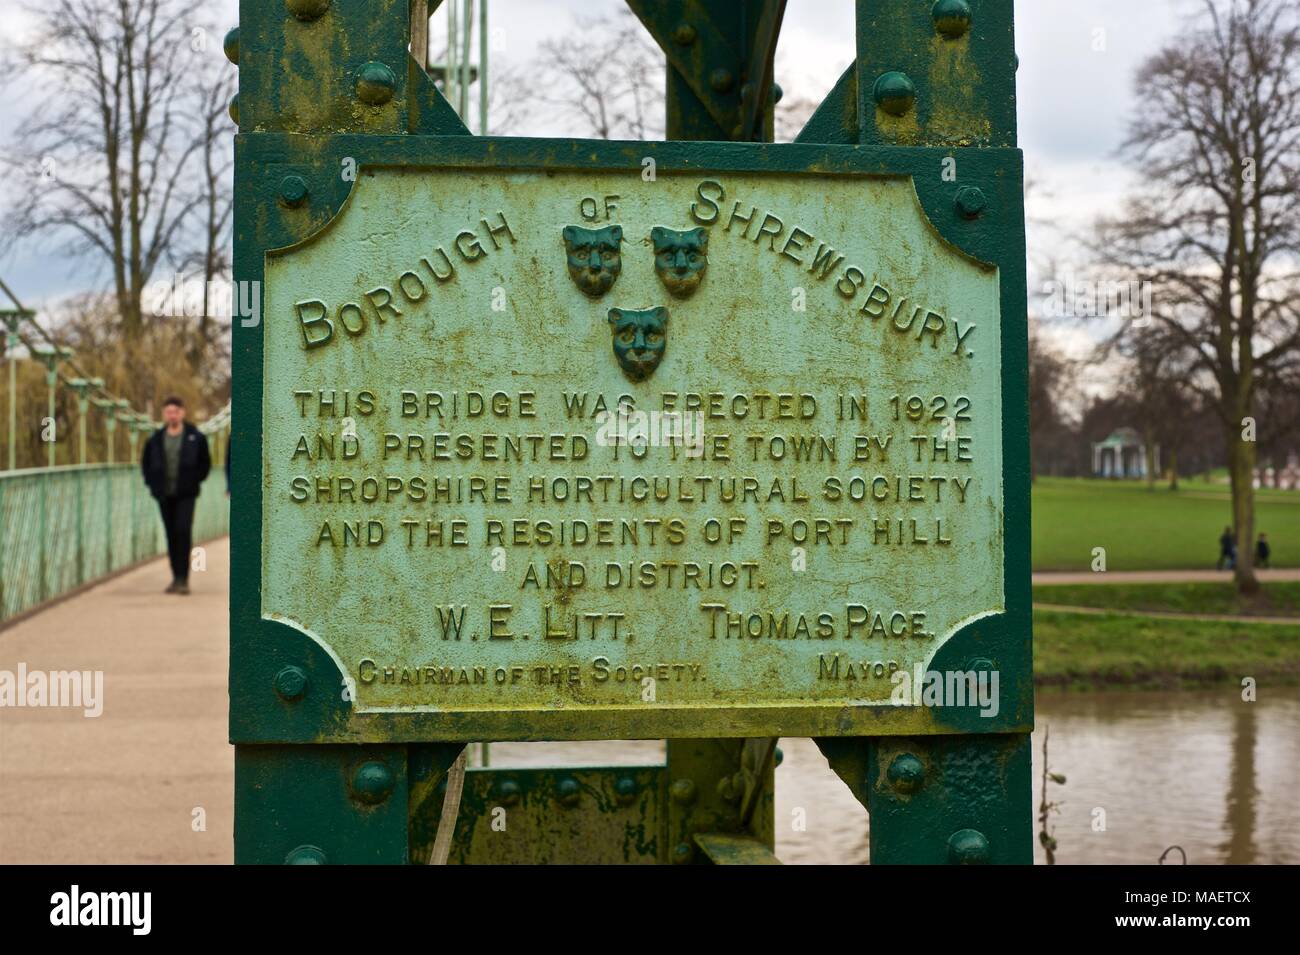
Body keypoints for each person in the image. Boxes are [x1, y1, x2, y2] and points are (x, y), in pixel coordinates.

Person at [141, 397, 211, 594]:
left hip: (186, 495)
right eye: (168, 412)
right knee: (170, 534)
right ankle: (175, 578)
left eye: (175, 411)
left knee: (183, 531)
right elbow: (145, 464)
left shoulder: (195, 437)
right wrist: (151, 484)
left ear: (182, 412)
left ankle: (184, 579)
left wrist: (194, 480)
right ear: (164, 414)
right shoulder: (155, 439)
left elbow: (205, 463)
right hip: (164, 494)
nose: (172, 415)